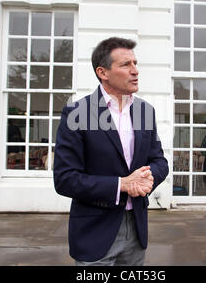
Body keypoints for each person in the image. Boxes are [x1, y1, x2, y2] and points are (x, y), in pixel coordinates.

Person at [53, 37, 169, 266]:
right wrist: (122, 184)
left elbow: (159, 160)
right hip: (95, 232)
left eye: (135, 63)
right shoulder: (77, 114)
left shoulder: (145, 111)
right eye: (126, 65)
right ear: (103, 72)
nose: (135, 71)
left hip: (136, 230)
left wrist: (148, 178)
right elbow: (65, 179)